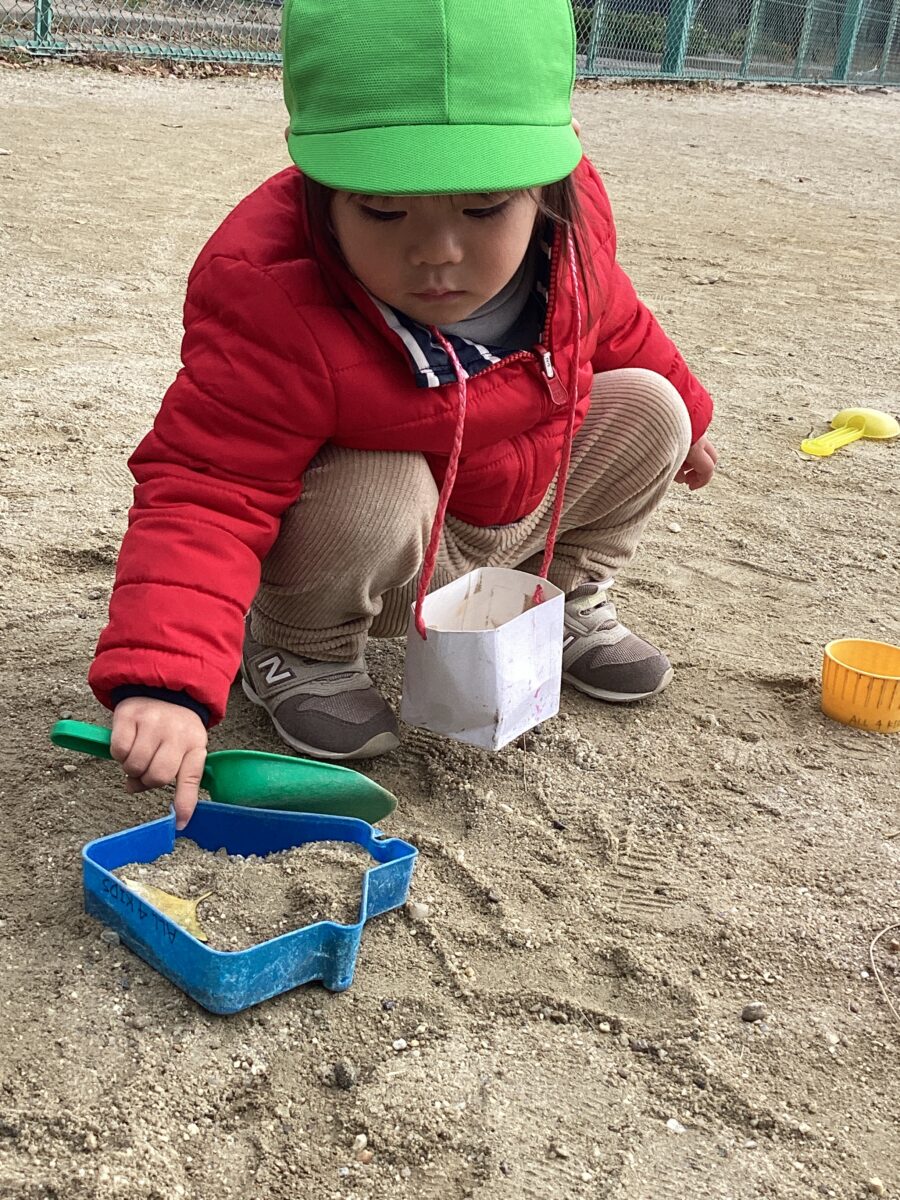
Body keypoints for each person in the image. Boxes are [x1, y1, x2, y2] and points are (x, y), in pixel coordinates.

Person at [88, 0, 717, 829]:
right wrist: (164, 682)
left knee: (653, 408)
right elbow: (206, 486)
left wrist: (691, 413)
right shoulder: (270, 292)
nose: (436, 253)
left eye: (484, 208)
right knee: (376, 477)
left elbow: (615, 319)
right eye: (383, 210)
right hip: (378, 560)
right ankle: (300, 649)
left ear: (553, 176)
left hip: (511, 511)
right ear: (319, 184)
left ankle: (558, 599)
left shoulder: (571, 228)